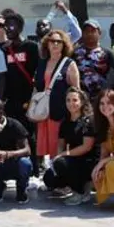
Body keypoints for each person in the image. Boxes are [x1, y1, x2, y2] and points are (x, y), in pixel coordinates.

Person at [42, 87, 97, 205]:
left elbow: (86, 147)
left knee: (61, 162)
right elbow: (60, 144)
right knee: (49, 178)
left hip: (89, 160)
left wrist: (64, 155)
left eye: (75, 100)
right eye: (68, 100)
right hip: (73, 158)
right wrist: (57, 160)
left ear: (82, 102)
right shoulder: (65, 122)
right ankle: (71, 185)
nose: (71, 103)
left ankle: (80, 192)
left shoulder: (89, 121)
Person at [1, 11, 40, 176]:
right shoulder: (4, 49)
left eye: (11, 25)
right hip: (10, 101)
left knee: (30, 135)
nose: (7, 29)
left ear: (20, 27)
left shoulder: (31, 47)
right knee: (13, 135)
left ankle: (35, 171)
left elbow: (38, 73)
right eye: (5, 26)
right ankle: (17, 172)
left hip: (28, 100)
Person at [34, 30, 80, 161]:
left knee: (58, 145)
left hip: (60, 111)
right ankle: (45, 168)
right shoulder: (42, 63)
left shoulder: (69, 63)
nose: (55, 44)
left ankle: (57, 167)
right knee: (43, 147)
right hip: (43, 111)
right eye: (52, 41)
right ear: (47, 44)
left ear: (64, 44)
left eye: (59, 41)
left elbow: (76, 91)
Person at [72, 19, 114, 99]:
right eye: (86, 31)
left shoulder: (108, 54)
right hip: (81, 98)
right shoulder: (75, 53)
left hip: (102, 99)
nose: (89, 34)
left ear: (99, 33)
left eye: (93, 31)